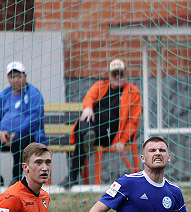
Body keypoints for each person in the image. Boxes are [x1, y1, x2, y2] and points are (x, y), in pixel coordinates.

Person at [61, 58, 142, 188]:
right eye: (114, 74)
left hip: (110, 134)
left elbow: (133, 121)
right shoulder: (101, 86)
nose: (117, 77)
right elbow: (90, 96)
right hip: (93, 130)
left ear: (126, 74)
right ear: (109, 75)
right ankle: (88, 136)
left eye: (120, 73)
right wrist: (87, 107)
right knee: (85, 121)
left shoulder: (133, 92)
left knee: (85, 128)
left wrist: (123, 139)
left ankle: (72, 176)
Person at [0, 61, 47, 185]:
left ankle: (16, 179)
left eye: (18, 76)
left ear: (25, 77)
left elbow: (34, 118)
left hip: (27, 135)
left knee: (19, 140)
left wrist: (16, 133)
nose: (15, 80)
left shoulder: (33, 93)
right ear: (8, 79)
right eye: (12, 77)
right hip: (5, 136)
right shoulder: (4, 94)